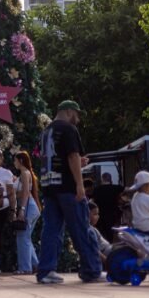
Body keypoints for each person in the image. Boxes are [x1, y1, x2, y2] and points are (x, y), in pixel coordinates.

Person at [36, 100, 103, 284]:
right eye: (77, 114)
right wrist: (80, 185)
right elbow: (72, 155)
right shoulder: (68, 129)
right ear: (68, 111)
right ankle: (91, 270)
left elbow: (53, 158)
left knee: (51, 230)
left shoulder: (46, 132)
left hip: (50, 186)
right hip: (67, 188)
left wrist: (75, 163)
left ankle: (46, 271)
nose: (78, 119)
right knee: (81, 228)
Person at [13, 151, 41, 274]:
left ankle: (25, 268)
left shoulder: (24, 173)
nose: (14, 163)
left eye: (15, 160)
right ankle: (36, 265)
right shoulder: (25, 173)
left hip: (28, 207)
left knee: (22, 237)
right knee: (26, 237)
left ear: (20, 161)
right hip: (31, 207)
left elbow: (25, 193)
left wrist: (22, 210)